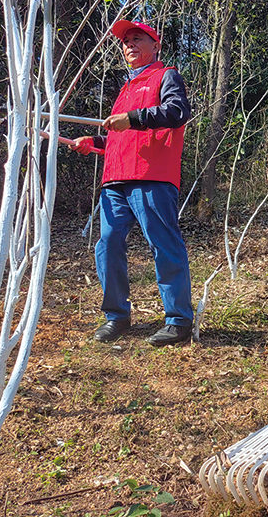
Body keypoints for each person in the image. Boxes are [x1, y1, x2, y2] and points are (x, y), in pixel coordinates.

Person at [71, 20, 193, 347]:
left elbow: (178, 112)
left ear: (156, 45)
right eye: (125, 42)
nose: (129, 45)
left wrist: (134, 118)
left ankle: (179, 320)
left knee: (163, 244)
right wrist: (93, 142)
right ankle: (117, 316)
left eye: (138, 38)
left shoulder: (166, 76)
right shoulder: (125, 90)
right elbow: (118, 137)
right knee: (107, 243)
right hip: (114, 179)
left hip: (152, 176)